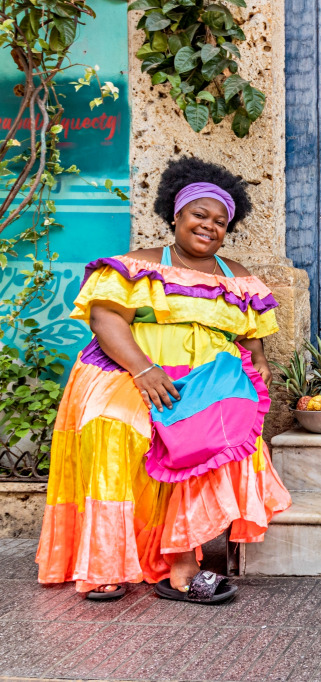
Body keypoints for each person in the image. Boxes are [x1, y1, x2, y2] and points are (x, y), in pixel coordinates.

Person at [35, 157, 291, 603]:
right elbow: (105, 316)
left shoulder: (241, 279)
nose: (209, 226)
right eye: (199, 215)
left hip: (209, 378)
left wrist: (257, 359)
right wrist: (144, 369)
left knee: (205, 441)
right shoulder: (136, 265)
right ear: (175, 214)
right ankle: (104, 564)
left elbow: (252, 335)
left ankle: (182, 566)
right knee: (111, 428)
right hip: (131, 368)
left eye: (220, 221)